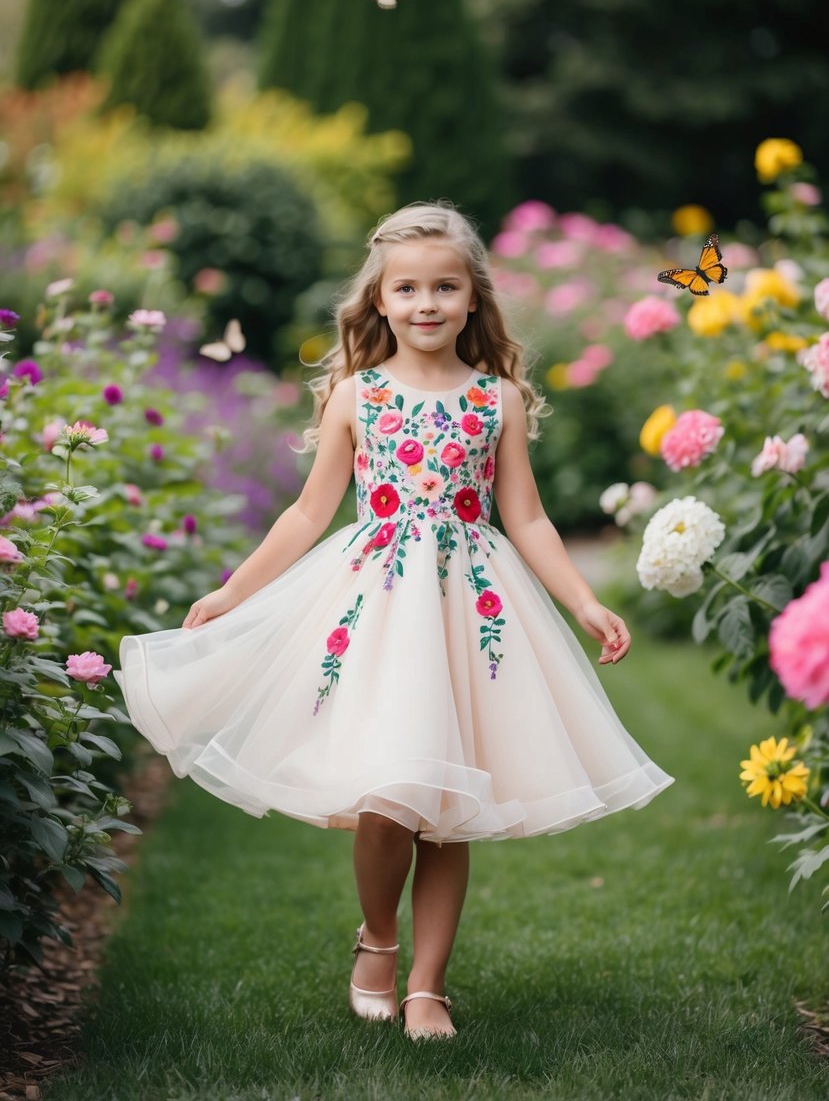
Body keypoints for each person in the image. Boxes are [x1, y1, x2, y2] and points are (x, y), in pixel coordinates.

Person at [114, 202, 674, 1041]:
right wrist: (235, 590)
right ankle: (377, 937)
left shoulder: (497, 400)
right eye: (406, 288)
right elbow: (308, 514)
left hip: (469, 610)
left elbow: (524, 518)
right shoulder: (356, 394)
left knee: (448, 801)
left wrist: (583, 600)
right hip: (374, 606)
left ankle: (427, 985)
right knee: (387, 801)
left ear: (473, 299)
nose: (424, 303)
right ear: (377, 300)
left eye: (444, 287)